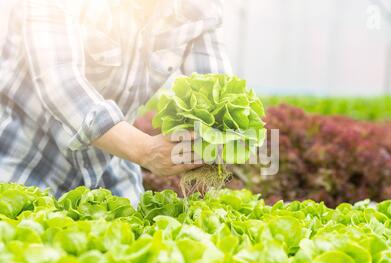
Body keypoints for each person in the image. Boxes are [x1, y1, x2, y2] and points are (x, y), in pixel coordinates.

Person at [0, 0, 232, 204]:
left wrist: (213, 136)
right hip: (25, 159)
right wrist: (146, 150)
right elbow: (61, 83)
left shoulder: (198, 6)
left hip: (111, 168)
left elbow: (215, 86)